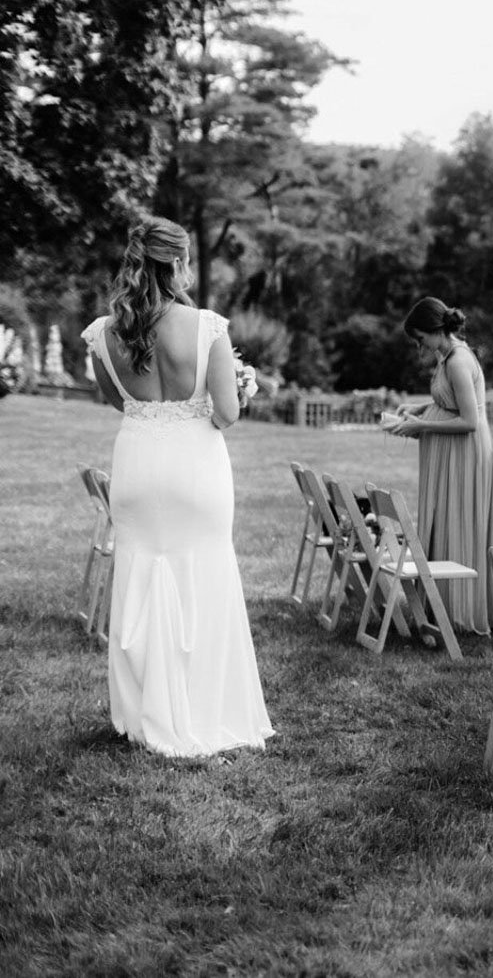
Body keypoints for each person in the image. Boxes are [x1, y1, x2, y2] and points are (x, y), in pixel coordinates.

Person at [80, 217, 274, 757]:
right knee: (203, 574)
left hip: (138, 463)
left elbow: (119, 401)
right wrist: (238, 387)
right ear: (181, 263)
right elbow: (227, 416)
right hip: (196, 468)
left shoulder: (103, 332)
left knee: (140, 574)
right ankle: (203, 708)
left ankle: (144, 714)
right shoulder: (207, 326)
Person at [388, 297, 493, 636]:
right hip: (450, 454)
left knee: (458, 524)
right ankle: (441, 606)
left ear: (436, 330)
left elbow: (469, 420)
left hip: (464, 454)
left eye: (421, 338)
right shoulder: (446, 357)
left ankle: (460, 610)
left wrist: (421, 427)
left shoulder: (458, 361)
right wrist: (421, 407)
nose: (419, 346)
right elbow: (450, 400)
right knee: (446, 522)